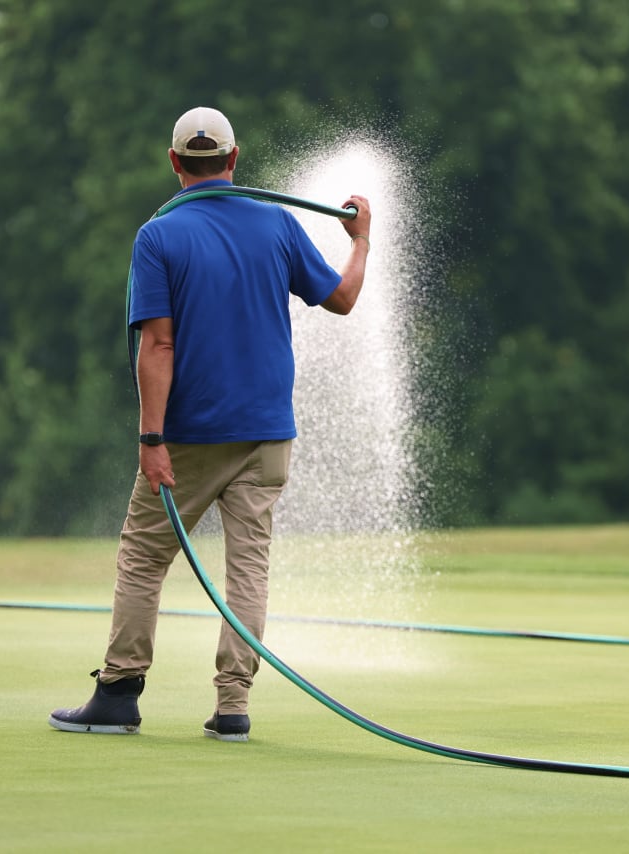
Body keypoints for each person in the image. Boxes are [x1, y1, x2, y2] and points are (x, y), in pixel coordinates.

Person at [49, 106, 371, 742]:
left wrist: (150, 438)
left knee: (143, 555)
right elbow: (342, 298)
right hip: (268, 433)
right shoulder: (276, 223)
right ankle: (233, 706)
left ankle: (119, 692)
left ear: (174, 163)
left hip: (192, 434)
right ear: (235, 157)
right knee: (248, 566)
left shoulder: (157, 236)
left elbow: (158, 346)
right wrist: (361, 241)